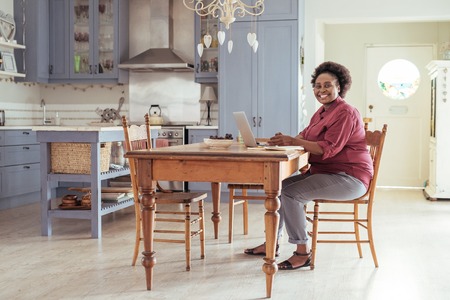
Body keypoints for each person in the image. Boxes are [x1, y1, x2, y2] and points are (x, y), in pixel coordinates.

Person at [244, 61, 374, 270]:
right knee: (278, 188)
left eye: (327, 85)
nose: (321, 90)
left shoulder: (346, 112)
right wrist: (282, 141)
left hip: (349, 177)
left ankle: (302, 253)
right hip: (328, 174)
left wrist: (293, 141)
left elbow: (327, 148)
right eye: (318, 86)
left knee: (291, 193)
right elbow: (304, 136)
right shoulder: (321, 112)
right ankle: (272, 243)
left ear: (339, 87)